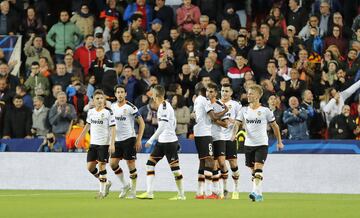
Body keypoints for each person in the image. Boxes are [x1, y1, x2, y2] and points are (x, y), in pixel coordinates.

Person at [233, 84, 284, 202]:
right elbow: (237, 124)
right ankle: (259, 194)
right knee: (253, 171)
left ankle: (254, 192)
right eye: (248, 93)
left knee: (258, 169)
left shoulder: (265, 111)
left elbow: (275, 127)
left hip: (261, 144)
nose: (248, 95)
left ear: (258, 96)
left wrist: (279, 142)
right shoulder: (244, 110)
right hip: (248, 144)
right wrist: (233, 134)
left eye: (251, 93)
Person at [137, 85, 185, 200]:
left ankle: (181, 195)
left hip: (169, 142)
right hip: (162, 141)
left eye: (152, 92)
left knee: (175, 170)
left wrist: (151, 139)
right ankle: (149, 192)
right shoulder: (164, 106)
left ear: (156, 95)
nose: (151, 94)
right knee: (150, 164)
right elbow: (172, 123)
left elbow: (162, 126)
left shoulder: (163, 107)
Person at [75, 89, 116, 199]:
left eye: (101, 98)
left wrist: (112, 144)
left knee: (101, 165)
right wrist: (80, 137)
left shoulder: (108, 112)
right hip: (93, 144)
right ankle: (106, 182)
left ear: (104, 100)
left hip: (104, 144)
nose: (99, 100)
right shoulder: (91, 112)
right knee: (90, 167)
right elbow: (88, 125)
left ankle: (101, 192)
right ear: (93, 100)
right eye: (97, 98)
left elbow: (113, 128)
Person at [193, 82, 228, 199]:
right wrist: (225, 111)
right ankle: (209, 193)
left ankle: (199, 192)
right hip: (205, 133)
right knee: (210, 162)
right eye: (207, 90)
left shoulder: (197, 100)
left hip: (198, 132)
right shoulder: (204, 100)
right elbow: (213, 117)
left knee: (202, 161)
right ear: (203, 90)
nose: (208, 92)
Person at [110, 85, 145, 199]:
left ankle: (133, 191)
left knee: (130, 164)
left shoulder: (131, 107)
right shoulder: (112, 106)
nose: (119, 94)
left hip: (129, 139)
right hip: (116, 140)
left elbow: (142, 123)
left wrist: (139, 139)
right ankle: (125, 185)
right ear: (115, 94)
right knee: (113, 164)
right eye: (117, 92)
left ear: (125, 94)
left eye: (122, 92)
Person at [206, 83, 229, 199]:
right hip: (208, 137)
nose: (208, 94)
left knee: (221, 163)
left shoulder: (220, 105)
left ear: (215, 93)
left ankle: (225, 187)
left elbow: (226, 124)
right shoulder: (204, 103)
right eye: (207, 91)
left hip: (219, 137)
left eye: (211, 92)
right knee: (213, 164)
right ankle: (218, 191)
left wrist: (215, 121)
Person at [220, 84, 242, 199]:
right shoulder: (216, 104)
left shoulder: (235, 105)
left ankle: (236, 188)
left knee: (233, 162)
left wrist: (234, 122)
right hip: (219, 138)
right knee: (221, 163)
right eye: (223, 91)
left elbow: (242, 121)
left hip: (231, 137)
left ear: (231, 93)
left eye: (226, 91)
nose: (224, 93)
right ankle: (224, 189)